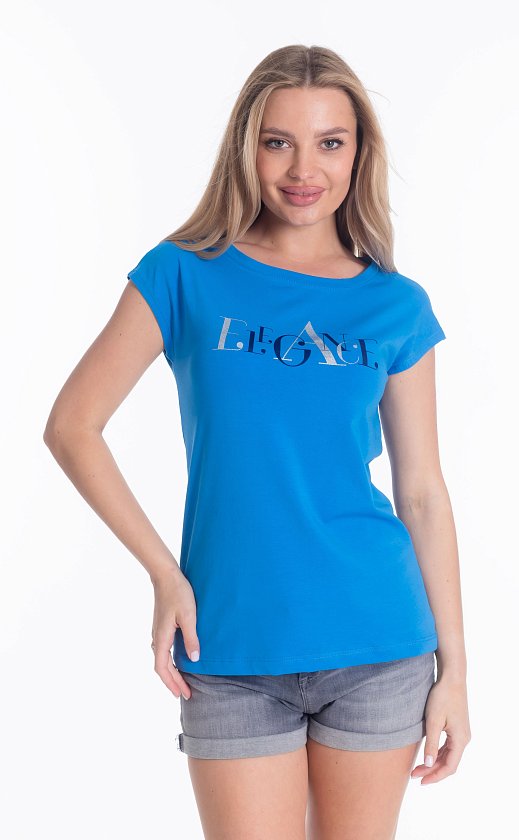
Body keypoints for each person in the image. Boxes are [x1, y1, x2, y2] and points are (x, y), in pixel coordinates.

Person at [44, 44, 471, 840]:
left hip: (378, 642)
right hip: (230, 646)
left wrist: (456, 670)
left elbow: (421, 492)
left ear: (359, 153)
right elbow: (72, 426)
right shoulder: (183, 274)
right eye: (279, 141)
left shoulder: (396, 305)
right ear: (247, 147)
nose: (304, 168)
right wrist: (165, 574)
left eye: (330, 142)